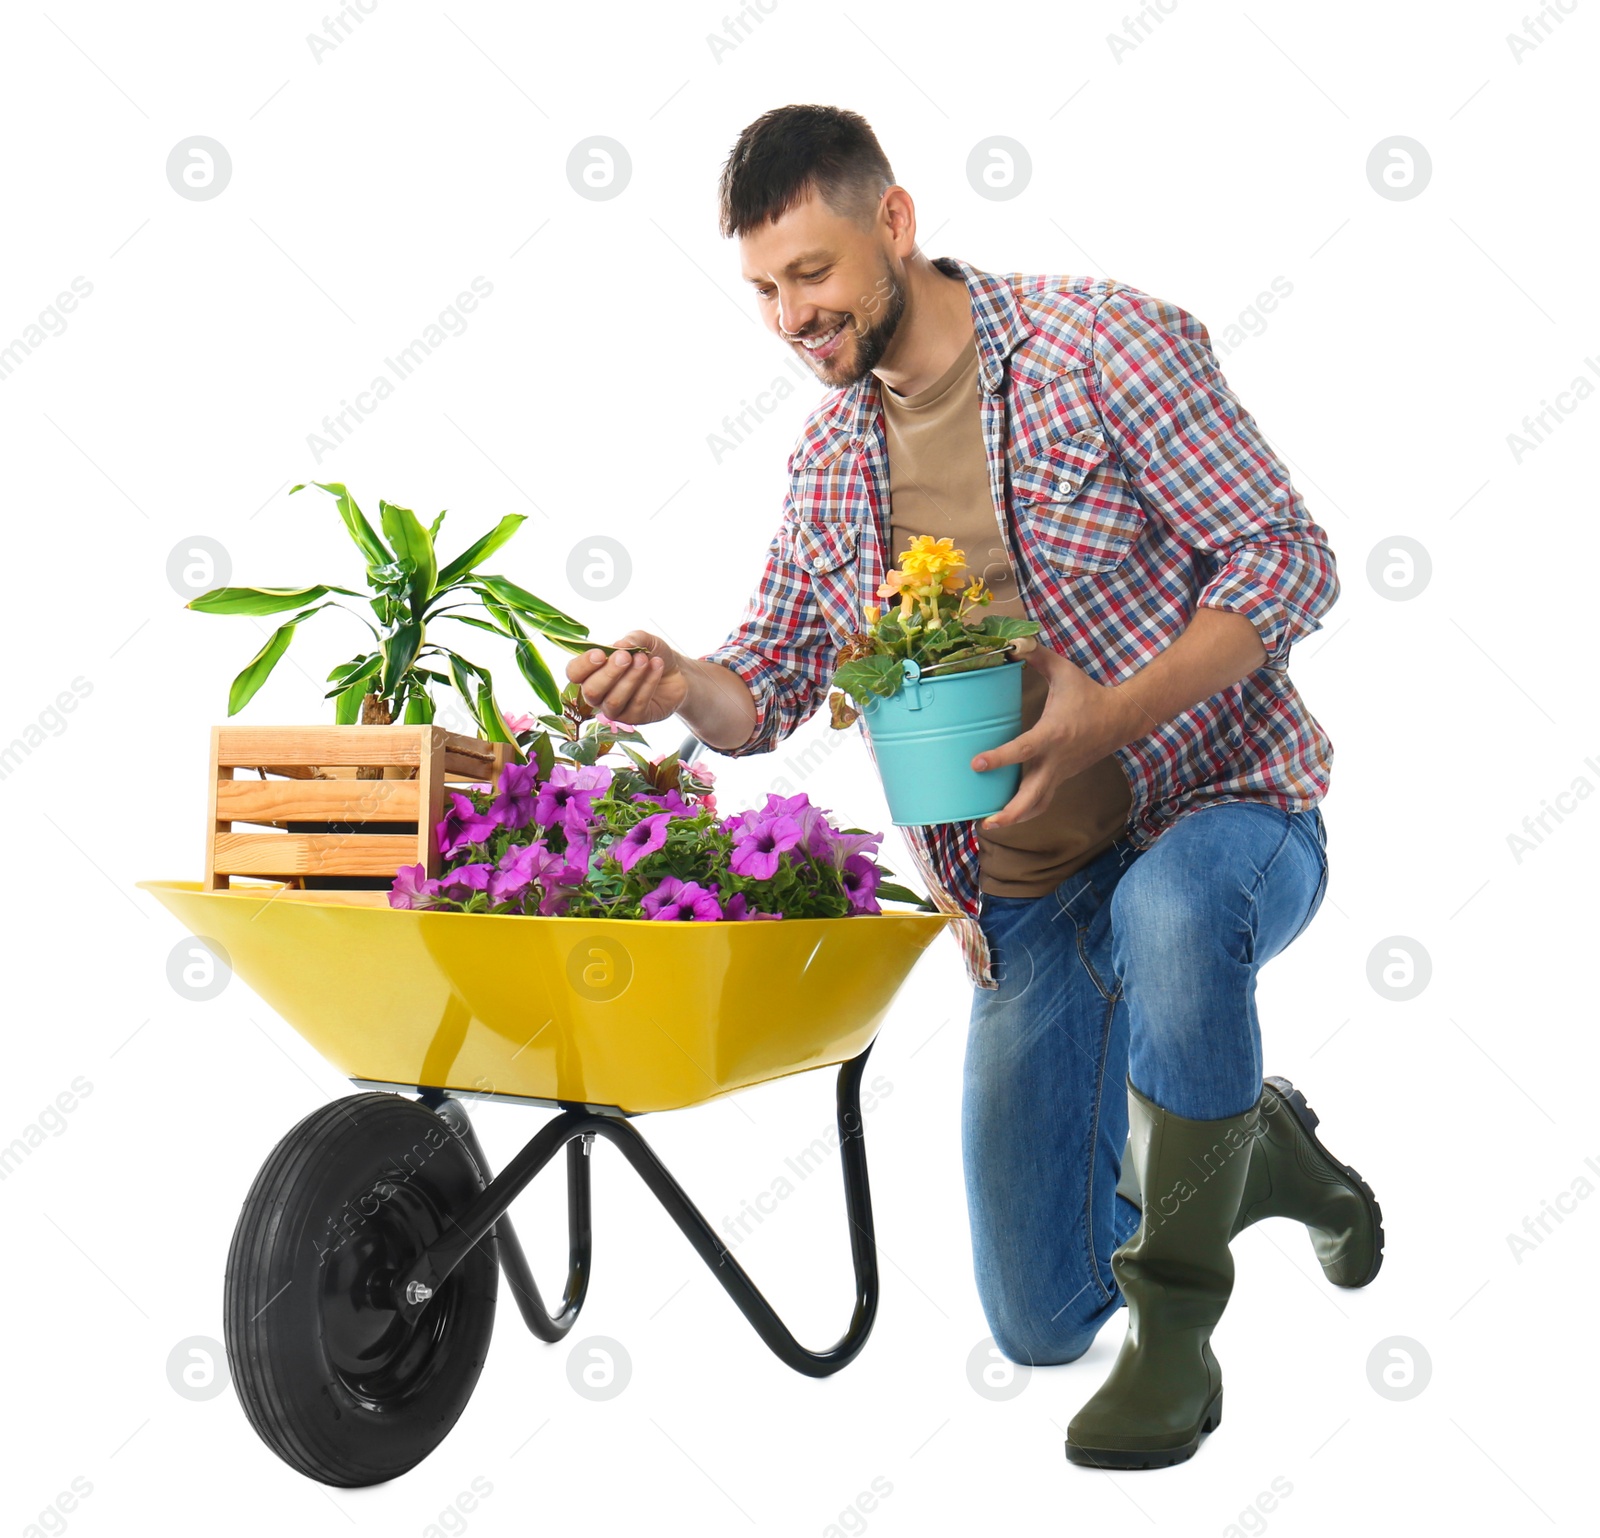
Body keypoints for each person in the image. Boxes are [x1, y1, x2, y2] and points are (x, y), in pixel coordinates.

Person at [567, 104, 1382, 1469]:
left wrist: (1107, 715)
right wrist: (678, 680)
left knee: (1173, 916)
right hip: (1029, 894)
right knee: (1039, 1317)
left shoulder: (1104, 346)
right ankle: (1258, 1151)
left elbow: (1287, 561)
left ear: (894, 222)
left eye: (812, 275)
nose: (791, 318)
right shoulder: (833, 469)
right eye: (765, 290)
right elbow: (763, 683)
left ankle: (1179, 1341)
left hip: (1224, 810)